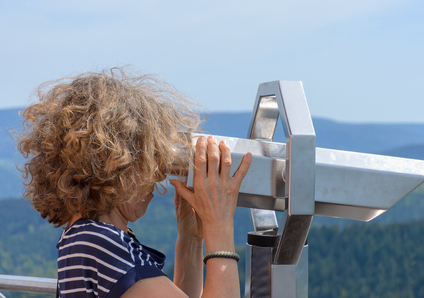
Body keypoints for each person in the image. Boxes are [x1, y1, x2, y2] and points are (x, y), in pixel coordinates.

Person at [17, 68, 252, 298]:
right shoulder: (103, 244)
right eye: (149, 160)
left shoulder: (84, 238)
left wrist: (191, 239)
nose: (159, 175)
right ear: (116, 165)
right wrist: (219, 225)